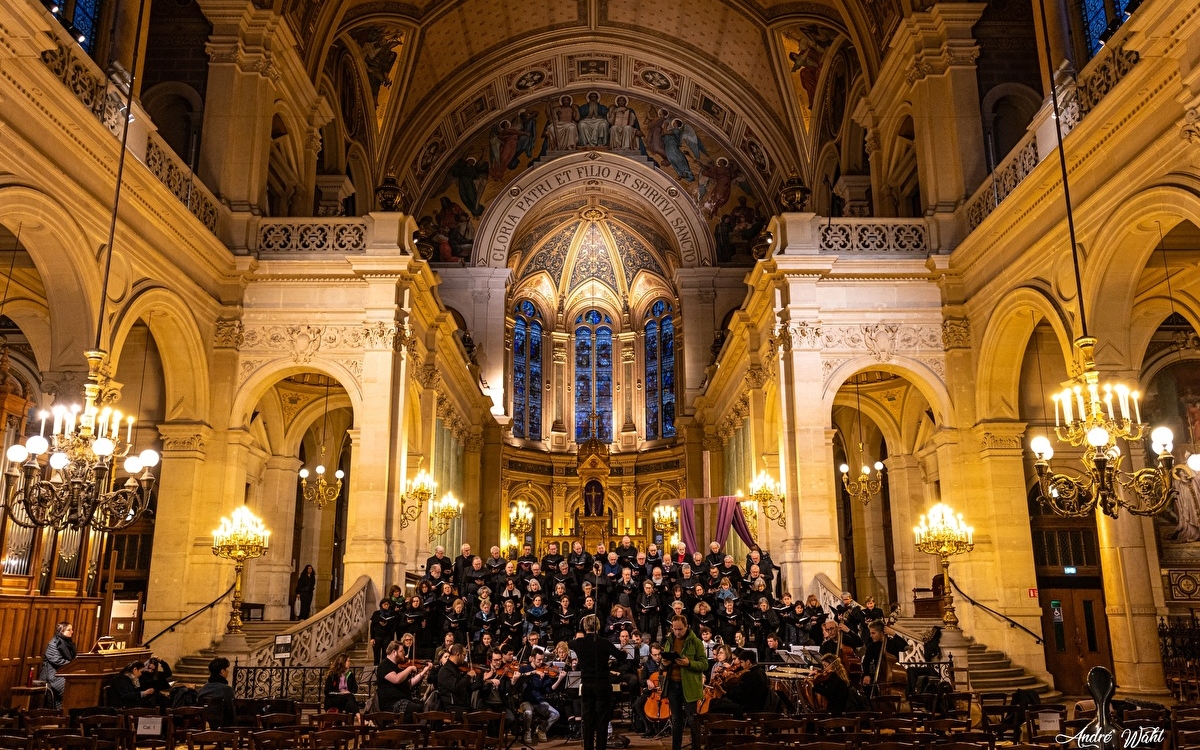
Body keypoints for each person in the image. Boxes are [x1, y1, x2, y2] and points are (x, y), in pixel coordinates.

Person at [571, 614, 626, 750]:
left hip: (587, 684)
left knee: (588, 720)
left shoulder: (579, 643)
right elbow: (621, 656)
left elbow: (570, 643)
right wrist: (623, 651)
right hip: (602, 684)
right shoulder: (604, 642)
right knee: (602, 720)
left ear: (584, 627)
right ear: (598, 626)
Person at [663, 615, 707, 750]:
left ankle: (696, 747)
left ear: (686, 627)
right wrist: (664, 663)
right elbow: (664, 662)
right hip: (673, 684)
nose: (677, 632)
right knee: (676, 720)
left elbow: (704, 664)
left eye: (680, 629)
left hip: (689, 685)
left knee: (693, 719)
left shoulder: (696, 642)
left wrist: (689, 663)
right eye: (674, 629)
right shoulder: (669, 641)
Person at [519, 651, 566, 743]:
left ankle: (541, 729)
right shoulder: (524, 669)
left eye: (542, 659)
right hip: (526, 700)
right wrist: (534, 672)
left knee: (556, 714)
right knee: (528, 712)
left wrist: (559, 679)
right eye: (539, 660)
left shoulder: (544, 671)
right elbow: (520, 677)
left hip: (539, 701)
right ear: (532, 658)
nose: (541, 662)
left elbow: (549, 689)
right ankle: (527, 731)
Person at [376, 640, 431, 719]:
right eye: (401, 651)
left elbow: (409, 683)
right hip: (393, 704)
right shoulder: (384, 666)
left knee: (426, 705)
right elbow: (396, 679)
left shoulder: (397, 666)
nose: (404, 653)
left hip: (403, 700)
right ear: (394, 652)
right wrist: (409, 668)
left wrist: (424, 671)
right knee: (418, 709)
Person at [861, 621, 908, 695]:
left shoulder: (892, 643)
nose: (871, 636)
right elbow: (866, 662)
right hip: (877, 677)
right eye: (870, 633)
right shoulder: (871, 646)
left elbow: (906, 647)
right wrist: (867, 674)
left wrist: (893, 634)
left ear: (882, 632)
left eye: (873, 633)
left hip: (891, 679)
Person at [436, 644, 481, 714]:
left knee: (484, 716)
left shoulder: (455, 668)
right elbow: (456, 687)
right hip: (452, 708)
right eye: (464, 655)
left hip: (462, 706)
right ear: (458, 654)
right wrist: (468, 676)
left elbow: (467, 688)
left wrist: (482, 679)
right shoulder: (445, 671)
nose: (465, 658)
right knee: (481, 719)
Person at [39, 621, 76, 708]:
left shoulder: (69, 643)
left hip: (65, 672)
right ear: (61, 632)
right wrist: (73, 664)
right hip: (53, 674)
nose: (72, 631)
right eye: (69, 630)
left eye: (71, 629)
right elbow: (57, 661)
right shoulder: (53, 644)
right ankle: (62, 712)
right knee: (67, 688)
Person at [196, 657, 235, 728]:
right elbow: (232, 710)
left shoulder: (203, 689)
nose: (228, 671)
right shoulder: (227, 689)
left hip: (205, 725)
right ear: (222, 671)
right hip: (224, 728)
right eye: (227, 668)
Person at [370, 598, 396, 664]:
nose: (386, 606)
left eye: (388, 604)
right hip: (377, 636)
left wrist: (387, 624)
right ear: (381, 605)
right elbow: (372, 626)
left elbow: (393, 627)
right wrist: (372, 638)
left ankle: (384, 669)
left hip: (387, 637)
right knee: (376, 655)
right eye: (385, 604)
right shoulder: (376, 613)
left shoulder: (392, 614)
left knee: (385, 654)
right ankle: (376, 669)